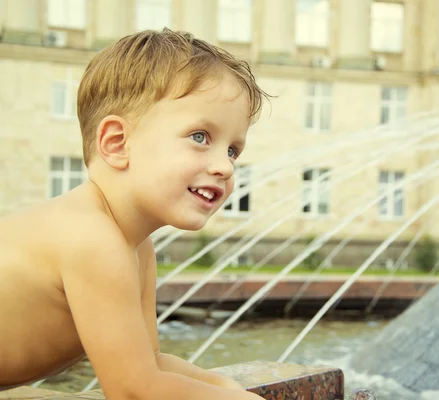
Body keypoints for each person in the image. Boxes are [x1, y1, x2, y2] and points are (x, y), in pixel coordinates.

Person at [0, 28, 269, 399]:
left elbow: (151, 362)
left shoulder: (135, 247)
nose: (225, 167)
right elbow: (133, 390)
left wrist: (223, 386)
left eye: (232, 151)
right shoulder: (92, 240)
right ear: (117, 143)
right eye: (200, 137)